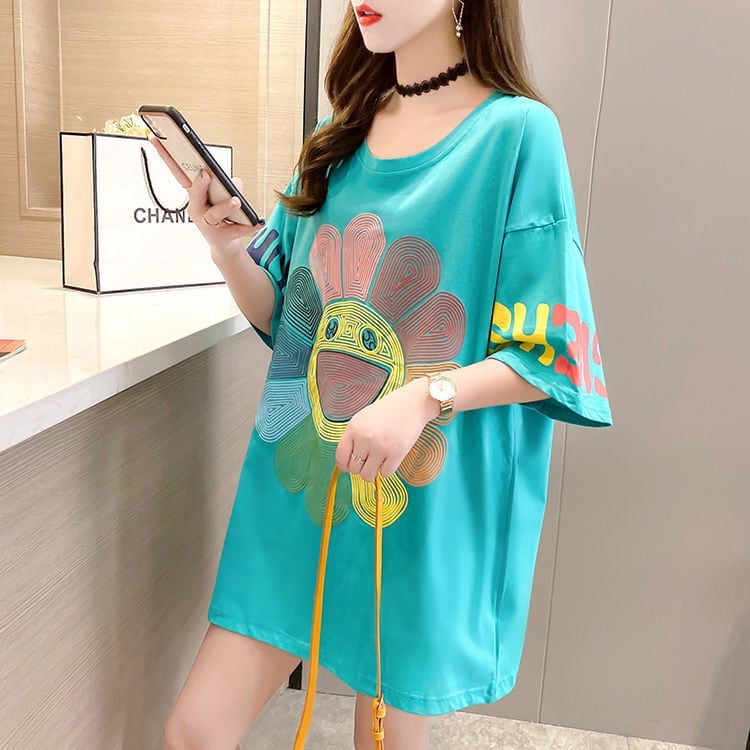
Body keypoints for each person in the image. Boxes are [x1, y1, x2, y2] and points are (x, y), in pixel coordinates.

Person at [155, 1, 613, 748]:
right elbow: (289, 320)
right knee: (194, 731)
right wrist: (227, 249)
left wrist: (426, 396)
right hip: (299, 493)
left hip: (417, 509)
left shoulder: (517, 135)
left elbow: (550, 353)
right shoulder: (337, 136)